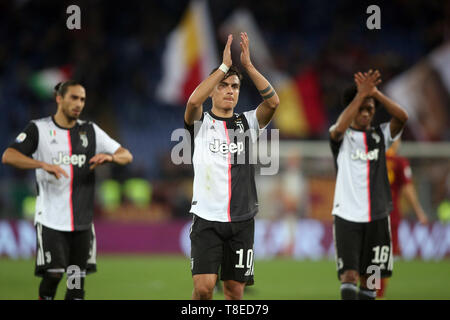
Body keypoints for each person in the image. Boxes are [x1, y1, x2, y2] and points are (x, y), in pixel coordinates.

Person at [2, 80, 133, 300]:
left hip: (82, 223)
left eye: (82, 99)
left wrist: (110, 157)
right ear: (59, 99)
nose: (78, 103)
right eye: (73, 97)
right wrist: (42, 164)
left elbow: (126, 155)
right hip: (51, 220)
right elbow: (9, 156)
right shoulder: (39, 129)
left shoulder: (90, 131)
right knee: (53, 274)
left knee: (75, 285)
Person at [184, 32, 279, 300]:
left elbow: (273, 102)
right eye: (223, 85)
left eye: (234, 86)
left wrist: (248, 66)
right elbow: (192, 102)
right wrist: (224, 67)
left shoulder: (248, 123)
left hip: (241, 220)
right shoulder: (200, 124)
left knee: (234, 291)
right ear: (212, 89)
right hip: (206, 219)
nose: (229, 90)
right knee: (203, 289)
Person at [329, 70, 409, 300]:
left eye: (370, 110)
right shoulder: (340, 136)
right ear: (353, 109)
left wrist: (374, 93)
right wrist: (361, 96)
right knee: (349, 275)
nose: (365, 113)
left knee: (371, 279)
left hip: (377, 217)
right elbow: (341, 126)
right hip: (347, 216)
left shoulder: (380, 136)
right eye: (361, 109)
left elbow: (402, 117)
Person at [377, 139, 428, 298]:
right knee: (385, 258)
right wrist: (419, 211)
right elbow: (407, 189)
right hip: (391, 216)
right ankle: (377, 292)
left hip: (371, 215)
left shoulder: (372, 159)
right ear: (395, 142)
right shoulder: (399, 162)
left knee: (372, 256)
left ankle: (370, 289)